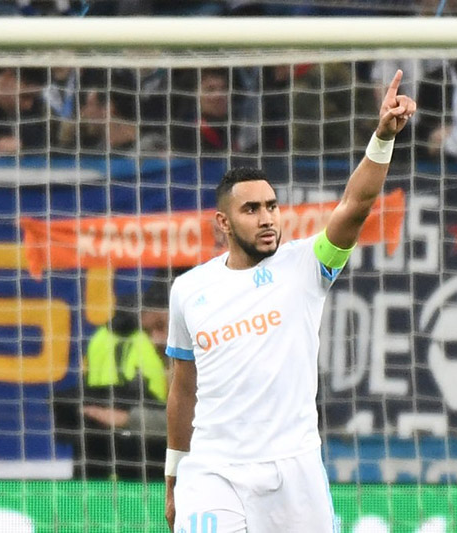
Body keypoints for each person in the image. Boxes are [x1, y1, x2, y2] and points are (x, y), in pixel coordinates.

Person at [164, 70, 416, 531]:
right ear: (223, 222)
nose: (267, 219)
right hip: (213, 470)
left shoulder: (306, 266)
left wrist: (382, 137)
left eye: (272, 206)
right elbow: (184, 387)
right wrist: (174, 471)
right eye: (252, 209)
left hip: (293, 469)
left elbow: (355, 205)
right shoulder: (189, 289)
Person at [54, 279, 171, 480]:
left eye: (160, 327)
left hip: (122, 429)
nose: (156, 339)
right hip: (133, 437)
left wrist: (125, 418)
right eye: (150, 330)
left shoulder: (99, 337)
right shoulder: (153, 348)